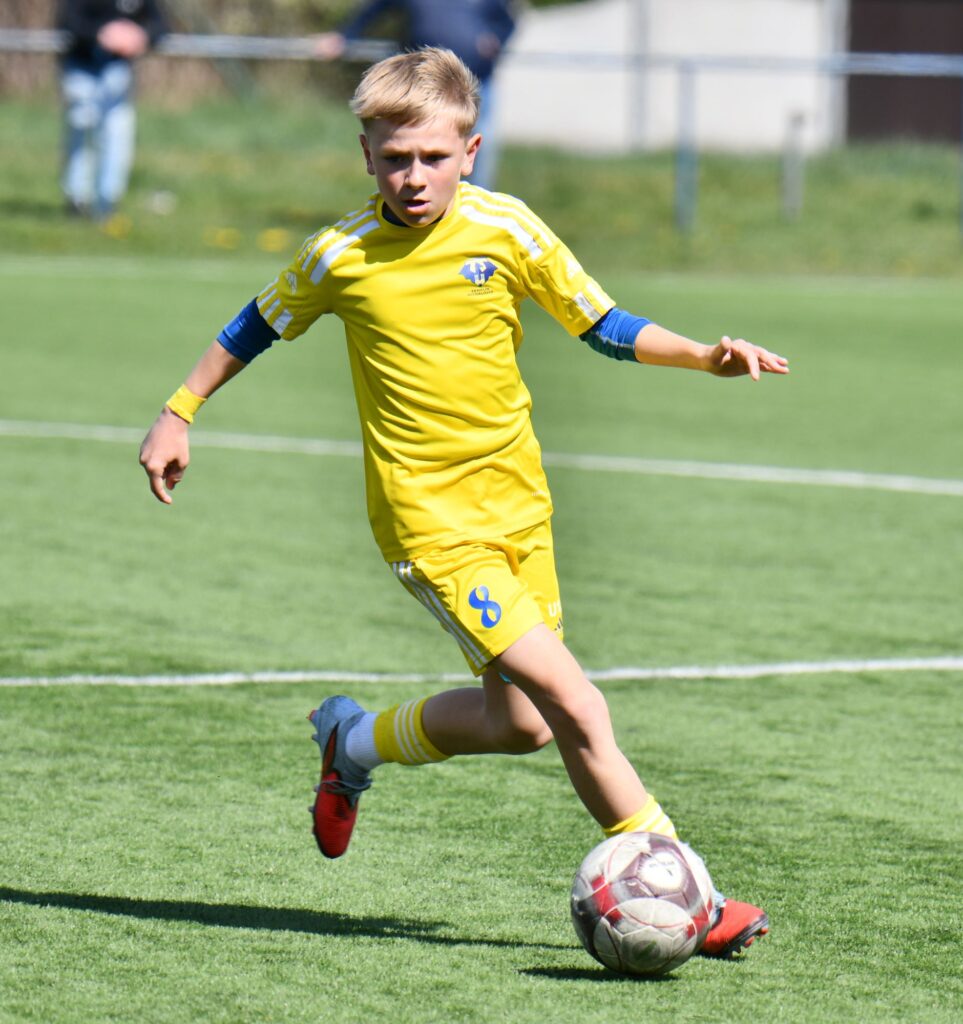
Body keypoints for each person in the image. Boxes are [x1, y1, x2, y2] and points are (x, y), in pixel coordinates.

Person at [139, 48, 788, 960]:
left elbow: (601, 323)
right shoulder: (339, 254)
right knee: (575, 701)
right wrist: (179, 410)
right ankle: (691, 889)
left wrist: (702, 355)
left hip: (519, 509)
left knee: (520, 725)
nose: (413, 177)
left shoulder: (505, 229)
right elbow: (255, 323)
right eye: (393, 159)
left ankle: (353, 743)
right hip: (431, 528)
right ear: (366, 155)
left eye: (433, 158)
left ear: (469, 151)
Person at [314, 0, 515, 190]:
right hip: (420, 89)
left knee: (480, 151)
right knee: (413, 148)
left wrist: (496, 39)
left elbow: (506, 23)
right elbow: (375, 8)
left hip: (476, 83)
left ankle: (475, 204)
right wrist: (345, 36)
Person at [57, 0, 168, 220]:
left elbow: (161, 27)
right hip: (82, 64)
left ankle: (106, 202)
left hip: (117, 67)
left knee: (117, 131)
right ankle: (77, 199)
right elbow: (69, 23)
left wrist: (140, 35)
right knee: (82, 125)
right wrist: (102, 34)